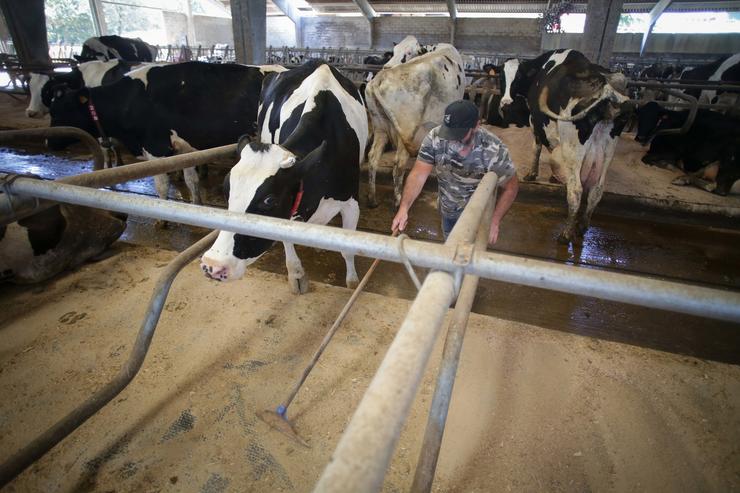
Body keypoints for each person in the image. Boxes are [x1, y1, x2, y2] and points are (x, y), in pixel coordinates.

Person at [391, 99, 519, 244]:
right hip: (448, 210)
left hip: (478, 217)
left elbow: (511, 187)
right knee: (451, 248)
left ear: (476, 126)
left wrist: (495, 221)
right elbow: (418, 174)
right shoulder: (435, 137)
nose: (451, 139)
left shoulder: (493, 150)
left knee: (471, 256)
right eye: (448, 132)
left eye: (458, 134)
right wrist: (404, 208)